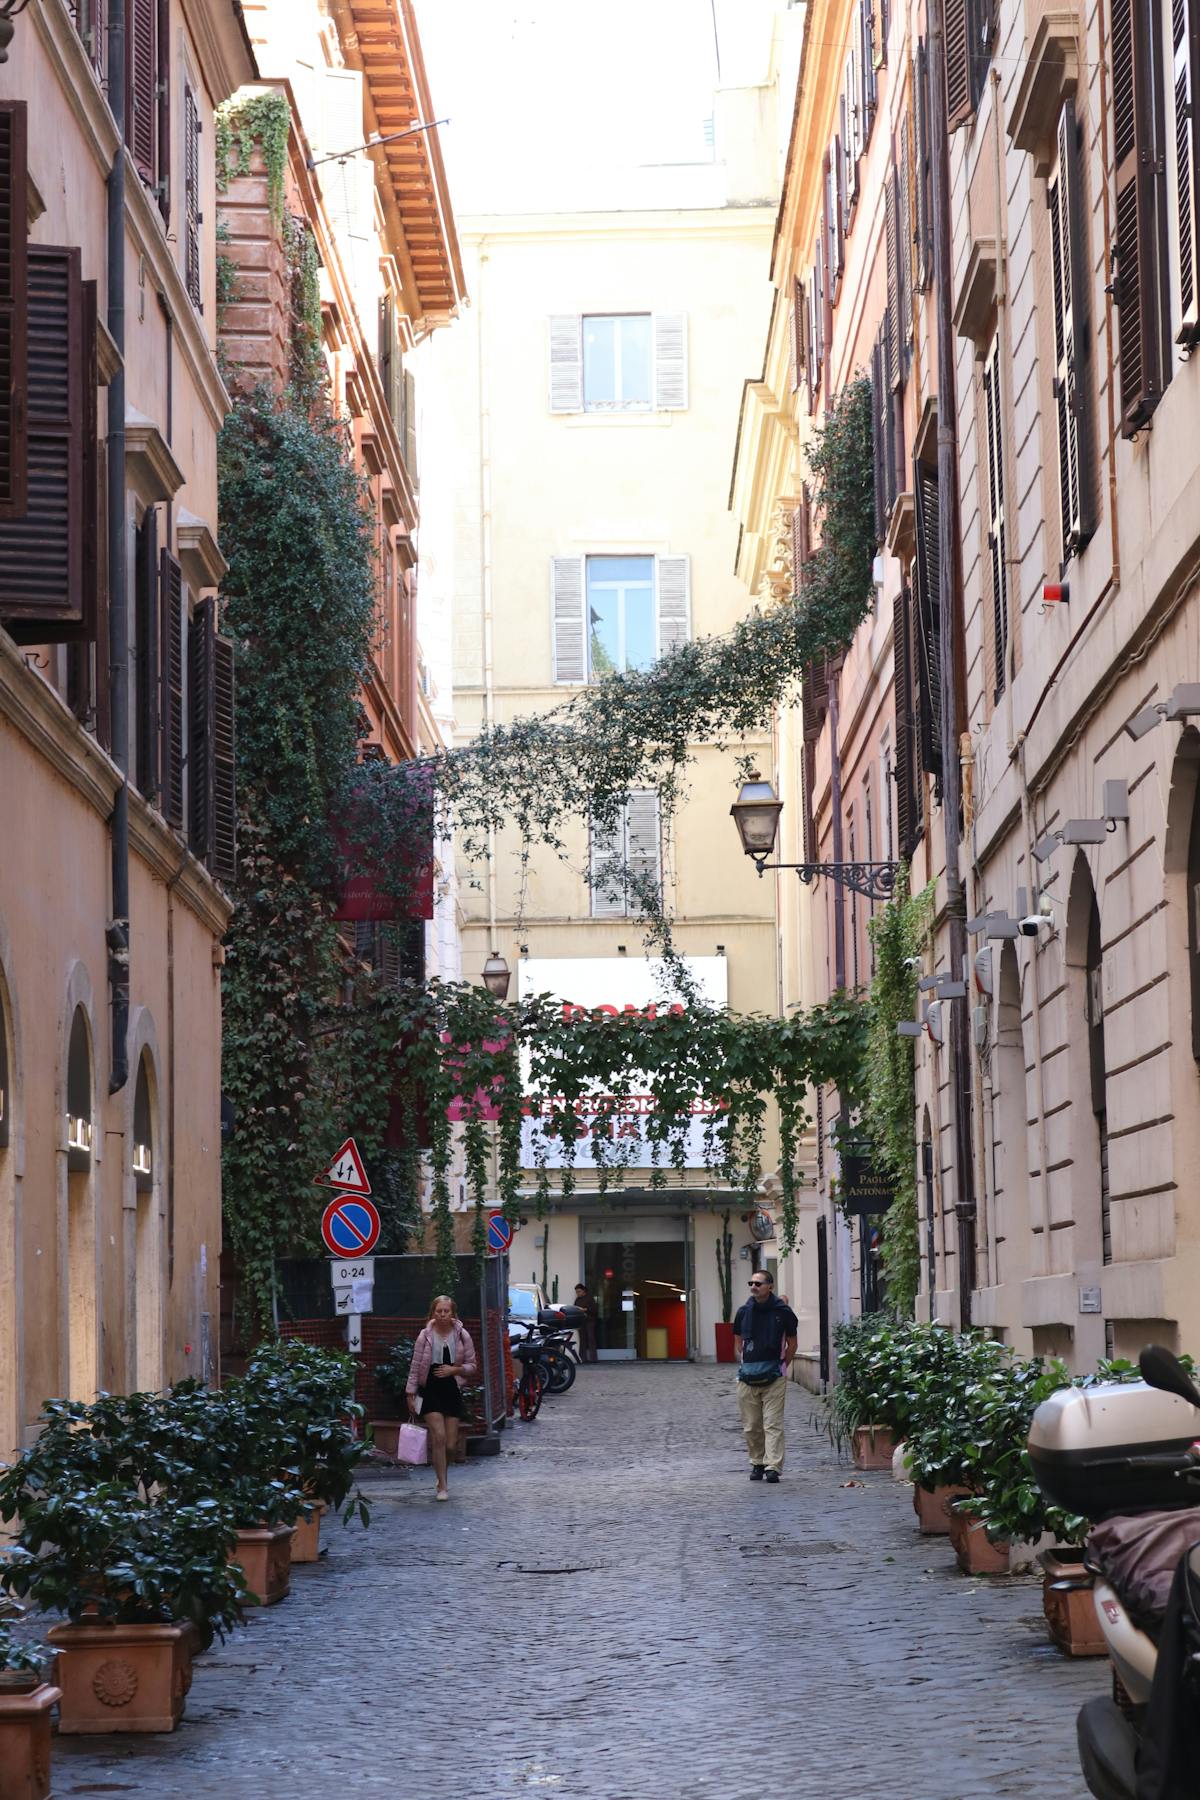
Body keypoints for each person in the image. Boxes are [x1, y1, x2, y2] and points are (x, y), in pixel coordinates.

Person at [405, 1295, 478, 1501]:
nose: (443, 1314)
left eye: (446, 1311)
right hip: (430, 1389)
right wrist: (410, 1393)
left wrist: (455, 1370)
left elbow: (473, 1366)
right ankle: (442, 1487)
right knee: (438, 1436)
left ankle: (442, 1475)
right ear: (433, 1313)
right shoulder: (424, 1336)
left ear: (453, 1313)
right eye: (439, 1311)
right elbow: (415, 1365)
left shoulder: (462, 1335)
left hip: (451, 1388)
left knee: (451, 1445)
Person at [732, 1270, 798, 1484]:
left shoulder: (783, 1312)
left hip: (774, 1376)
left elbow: (792, 1343)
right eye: (751, 1282)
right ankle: (757, 1462)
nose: (753, 1286)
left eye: (758, 1283)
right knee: (751, 1425)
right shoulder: (743, 1312)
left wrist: (781, 1366)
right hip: (747, 1377)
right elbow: (737, 1343)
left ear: (770, 1286)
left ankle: (773, 1466)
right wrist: (745, 1365)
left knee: (772, 1423)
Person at [574, 1283, 598, 1363]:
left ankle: (593, 1358)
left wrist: (585, 1309)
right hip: (581, 1321)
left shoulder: (590, 1298)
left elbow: (594, 1310)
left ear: (583, 1291)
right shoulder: (577, 1300)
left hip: (589, 1321)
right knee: (582, 1340)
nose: (578, 1293)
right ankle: (582, 1358)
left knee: (591, 1339)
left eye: (579, 1291)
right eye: (577, 1292)